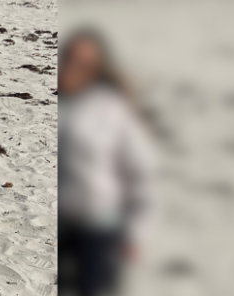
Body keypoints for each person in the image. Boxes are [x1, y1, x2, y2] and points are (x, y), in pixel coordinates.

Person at [58, 30, 155, 296]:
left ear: (97, 70)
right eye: (69, 59)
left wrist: (136, 233)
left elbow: (142, 175)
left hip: (97, 224)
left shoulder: (112, 108)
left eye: (84, 64)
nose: (73, 68)